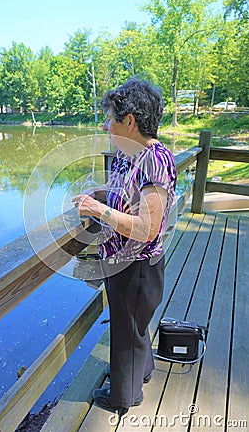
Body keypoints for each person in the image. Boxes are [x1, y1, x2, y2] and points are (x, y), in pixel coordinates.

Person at [72, 78, 177, 412]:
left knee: (126, 332)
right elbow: (121, 193)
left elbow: (147, 228)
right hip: (121, 262)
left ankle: (123, 397)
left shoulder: (156, 161)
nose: (105, 125)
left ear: (130, 121)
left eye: (110, 118)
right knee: (133, 326)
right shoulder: (125, 153)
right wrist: (98, 195)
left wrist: (98, 210)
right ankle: (141, 372)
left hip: (139, 268)